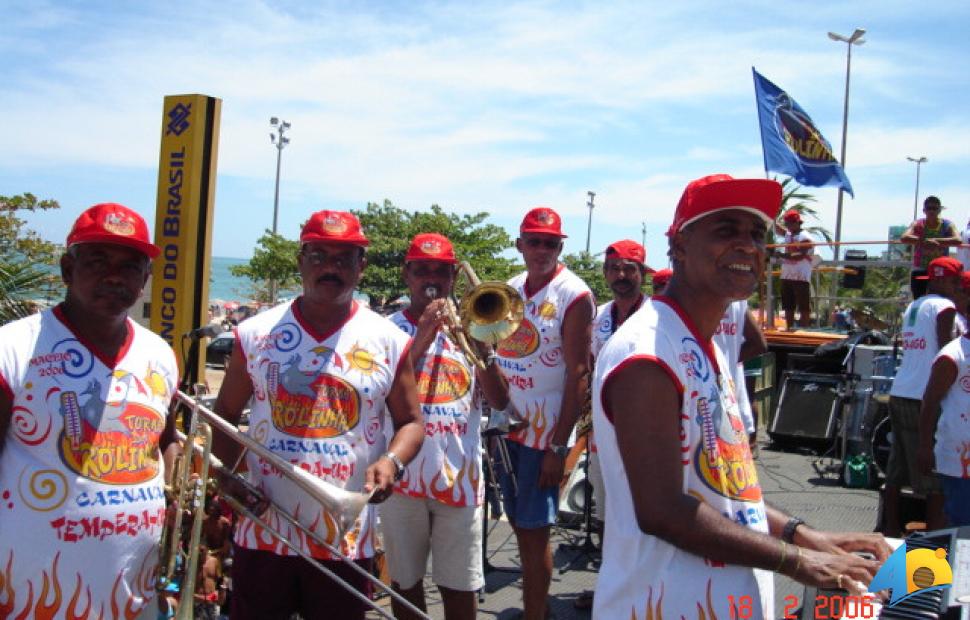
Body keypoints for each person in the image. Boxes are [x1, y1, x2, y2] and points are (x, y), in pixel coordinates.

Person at [591, 174, 890, 619]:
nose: (748, 245)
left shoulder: (704, 345)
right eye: (726, 229)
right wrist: (800, 563)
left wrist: (805, 536)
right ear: (678, 246)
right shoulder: (647, 353)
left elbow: (727, 493)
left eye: (756, 234)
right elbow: (663, 511)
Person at [211, 210, 425, 620]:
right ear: (301, 260)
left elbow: (412, 422)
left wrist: (392, 461)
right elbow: (223, 413)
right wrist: (231, 477)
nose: (331, 267)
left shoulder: (389, 340)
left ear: (361, 267)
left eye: (344, 258)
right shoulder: (256, 333)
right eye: (319, 255)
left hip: (343, 537)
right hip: (264, 530)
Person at [0, 203, 179, 619]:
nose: (114, 276)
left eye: (130, 266)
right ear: (67, 268)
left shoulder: (160, 354)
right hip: (30, 596)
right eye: (97, 261)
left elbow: (161, 443)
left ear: (145, 281)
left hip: (133, 593)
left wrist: (182, 486)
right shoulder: (13, 348)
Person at [382, 233, 509, 620]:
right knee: (405, 584)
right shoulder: (386, 330)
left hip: (460, 480)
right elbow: (381, 395)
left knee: (461, 586)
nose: (431, 278)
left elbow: (501, 401)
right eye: (422, 270)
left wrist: (483, 346)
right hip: (401, 479)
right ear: (407, 275)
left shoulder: (476, 326)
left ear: (454, 277)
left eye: (441, 270)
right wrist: (421, 337)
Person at [493, 207, 593, 620]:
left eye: (550, 243)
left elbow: (579, 374)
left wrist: (558, 446)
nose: (541, 250)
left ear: (560, 247)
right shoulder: (511, 288)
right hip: (508, 427)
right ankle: (537, 609)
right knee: (519, 525)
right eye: (533, 241)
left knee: (534, 535)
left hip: (543, 433)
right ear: (519, 245)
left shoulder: (574, 294)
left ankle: (535, 615)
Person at [577, 239, 651, 610]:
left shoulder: (657, 315)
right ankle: (612, 587)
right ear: (606, 273)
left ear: (642, 274)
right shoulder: (600, 316)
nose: (622, 276)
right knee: (607, 513)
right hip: (605, 434)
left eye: (629, 269)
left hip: (649, 436)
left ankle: (646, 590)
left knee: (647, 514)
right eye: (615, 269)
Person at [883, 256, 963, 536]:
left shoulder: (913, 306)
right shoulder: (945, 307)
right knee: (935, 483)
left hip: (900, 391)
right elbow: (947, 350)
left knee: (896, 470)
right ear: (942, 280)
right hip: (924, 396)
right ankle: (932, 546)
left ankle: (890, 531)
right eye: (955, 282)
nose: (957, 289)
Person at [918, 272, 970, 528]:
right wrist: (925, 448)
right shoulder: (952, 355)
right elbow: (929, 402)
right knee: (961, 531)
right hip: (960, 462)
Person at [901, 196, 961, 299]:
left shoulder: (947, 224)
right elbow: (904, 237)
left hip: (940, 271)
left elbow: (958, 240)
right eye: (929, 208)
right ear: (924, 210)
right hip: (921, 268)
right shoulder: (918, 223)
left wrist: (936, 241)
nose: (932, 211)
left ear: (939, 210)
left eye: (935, 208)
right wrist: (925, 241)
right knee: (918, 298)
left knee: (941, 298)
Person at [775, 209, 815, 329]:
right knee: (788, 304)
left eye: (791, 223)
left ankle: (804, 330)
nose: (788, 226)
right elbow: (779, 230)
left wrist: (781, 255)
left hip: (801, 275)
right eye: (787, 223)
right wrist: (772, 218)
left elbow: (799, 256)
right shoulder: (789, 234)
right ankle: (789, 327)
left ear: (798, 222)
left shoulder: (805, 237)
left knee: (803, 305)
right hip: (787, 275)